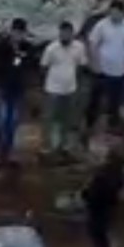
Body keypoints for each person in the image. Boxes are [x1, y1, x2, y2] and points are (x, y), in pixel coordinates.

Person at [84, 0, 124, 139]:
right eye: (112, 12)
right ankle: (89, 125)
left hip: (119, 70)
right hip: (101, 69)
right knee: (95, 99)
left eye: (117, 13)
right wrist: (94, 63)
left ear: (122, 13)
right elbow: (93, 44)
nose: (114, 16)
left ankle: (113, 126)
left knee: (115, 100)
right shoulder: (102, 25)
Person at [80, 142, 124, 247]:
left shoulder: (104, 175)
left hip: (97, 208)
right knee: (102, 239)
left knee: (99, 239)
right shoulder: (118, 174)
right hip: (107, 208)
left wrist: (86, 193)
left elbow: (94, 192)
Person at [0, 17, 34, 168]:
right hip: (2, 88)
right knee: (0, 122)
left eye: (21, 33)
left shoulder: (27, 48)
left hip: (18, 89)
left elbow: (30, 66)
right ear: (11, 31)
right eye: (16, 32)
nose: (18, 35)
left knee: (12, 123)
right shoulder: (0, 47)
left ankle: (7, 153)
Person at [40, 21, 88, 160]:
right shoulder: (51, 49)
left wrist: (75, 82)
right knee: (49, 119)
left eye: (68, 33)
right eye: (63, 33)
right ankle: (46, 148)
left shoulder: (79, 47)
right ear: (59, 33)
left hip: (70, 89)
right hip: (53, 89)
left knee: (67, 119)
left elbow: (81, 65)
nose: (65, 35)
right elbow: (43, 67)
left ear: (72, 34)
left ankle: (64, 147)